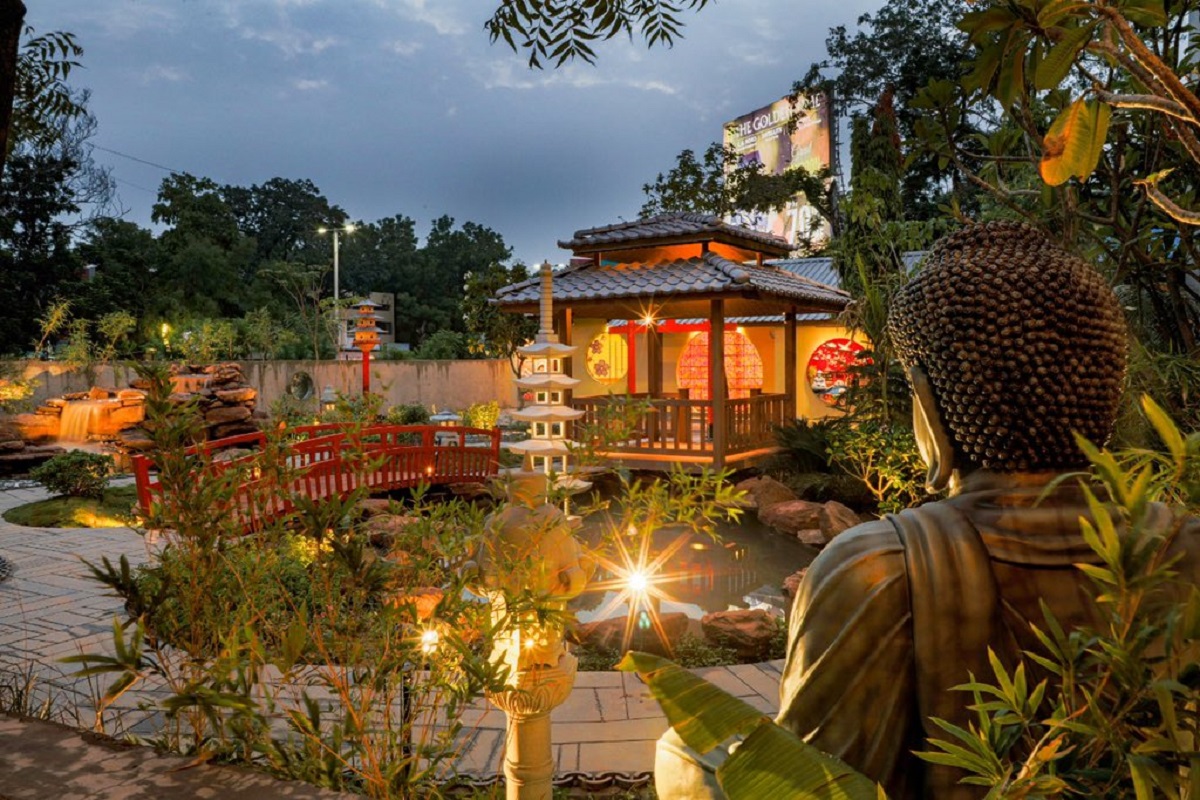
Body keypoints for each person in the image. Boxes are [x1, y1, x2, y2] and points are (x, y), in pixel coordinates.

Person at [656, 221, 1200, 799]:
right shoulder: (1184, 546)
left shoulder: (878, 566)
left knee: (681, 751)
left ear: (931, 410)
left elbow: (815, 784)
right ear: (1103, 395)